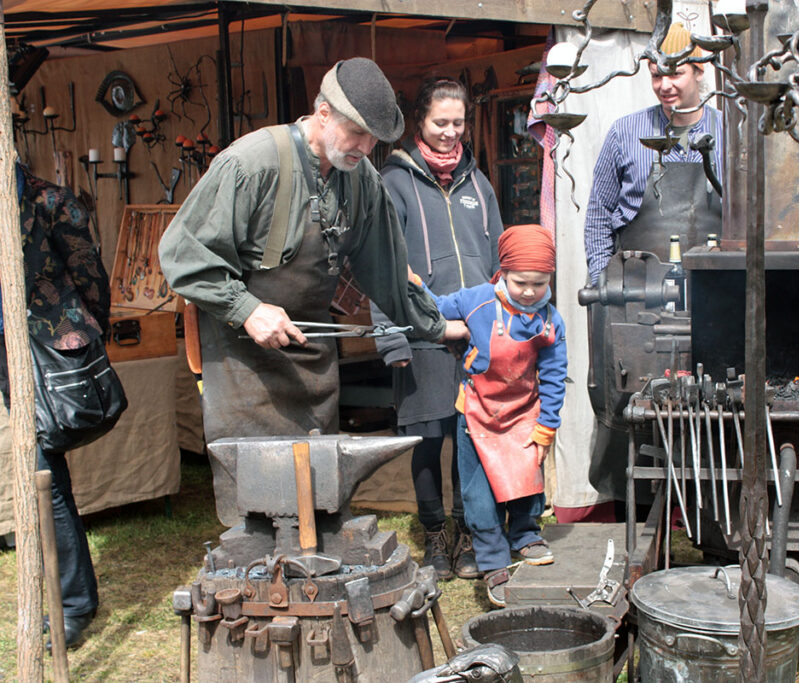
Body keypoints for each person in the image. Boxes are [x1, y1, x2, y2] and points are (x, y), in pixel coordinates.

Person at [159, 58, 466, 459]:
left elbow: (389, 272)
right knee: (262, 499)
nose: (365, 148)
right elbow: (184, 255)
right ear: (323, 113)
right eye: (357, 133)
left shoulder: (362, 181)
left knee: (319, 489)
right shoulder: (251, 165)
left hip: (314, 362)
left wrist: (439, 326)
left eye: (374, 139)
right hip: (244, 365)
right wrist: (247, 309)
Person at [582, 23, 724, 519]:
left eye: (676, 74)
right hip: (636, 292)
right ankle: (636, 508)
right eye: (656, 75)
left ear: (701, 72)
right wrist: (605, 281)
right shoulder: (626, 132)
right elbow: (599, 214)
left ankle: (709, 510)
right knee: (631, 401)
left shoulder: (730, 131)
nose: (665, 85)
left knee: (711, 396)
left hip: (710, 292)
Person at [374, 78, 503, 581]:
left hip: (474, 334)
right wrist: (391, 336)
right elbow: (382, 263)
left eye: (459, 123)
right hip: (421, 331)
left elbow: (496, 264)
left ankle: (469, 533)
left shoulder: (479, 183)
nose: (451, 133)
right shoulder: (395, 182)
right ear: (419, 122)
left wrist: (504, 324)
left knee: (472, 437)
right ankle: (434, 537)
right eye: (440, 123)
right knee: (428, 438)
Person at [420, 224, 567, 607]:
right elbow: (433, 307)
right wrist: (414, 287)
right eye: (521, 282)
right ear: (502, 272)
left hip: (523, 414)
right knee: (479, 495)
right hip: (476, 416)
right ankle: (492, 561)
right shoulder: (478, 301)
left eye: (540, 282)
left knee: (526, 482)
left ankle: (525, 534)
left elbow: (553, 377)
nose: (531, 291)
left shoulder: (551, 321)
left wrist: (547, 426)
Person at [0, 163, 107, 648]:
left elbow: (89, 276)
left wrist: (82, 341)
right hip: (5, 349)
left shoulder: (51, 202)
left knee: (46, 472)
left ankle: (72, 605)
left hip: (42, 352)